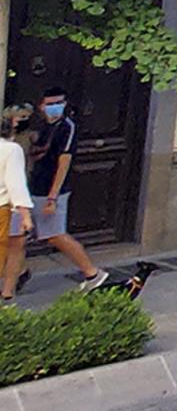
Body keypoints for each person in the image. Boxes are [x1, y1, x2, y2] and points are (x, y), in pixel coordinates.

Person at [26, 87, 106, 291]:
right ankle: (18, 273)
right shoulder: (42, 126)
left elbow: (64, 163)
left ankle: (92, 273)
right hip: (34, 186)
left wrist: (53, 197)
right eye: (50, 103)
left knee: (54, 234)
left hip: (51, 190)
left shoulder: (66, 127)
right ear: (41, 106)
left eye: (58, 103)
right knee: (18, 235)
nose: (54, 107)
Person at [0, 104, 32, 304]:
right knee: (13, 247)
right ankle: (8, 291)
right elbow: (16, 183)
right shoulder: (11, 150)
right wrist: (25, 215)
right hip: (4, 208)